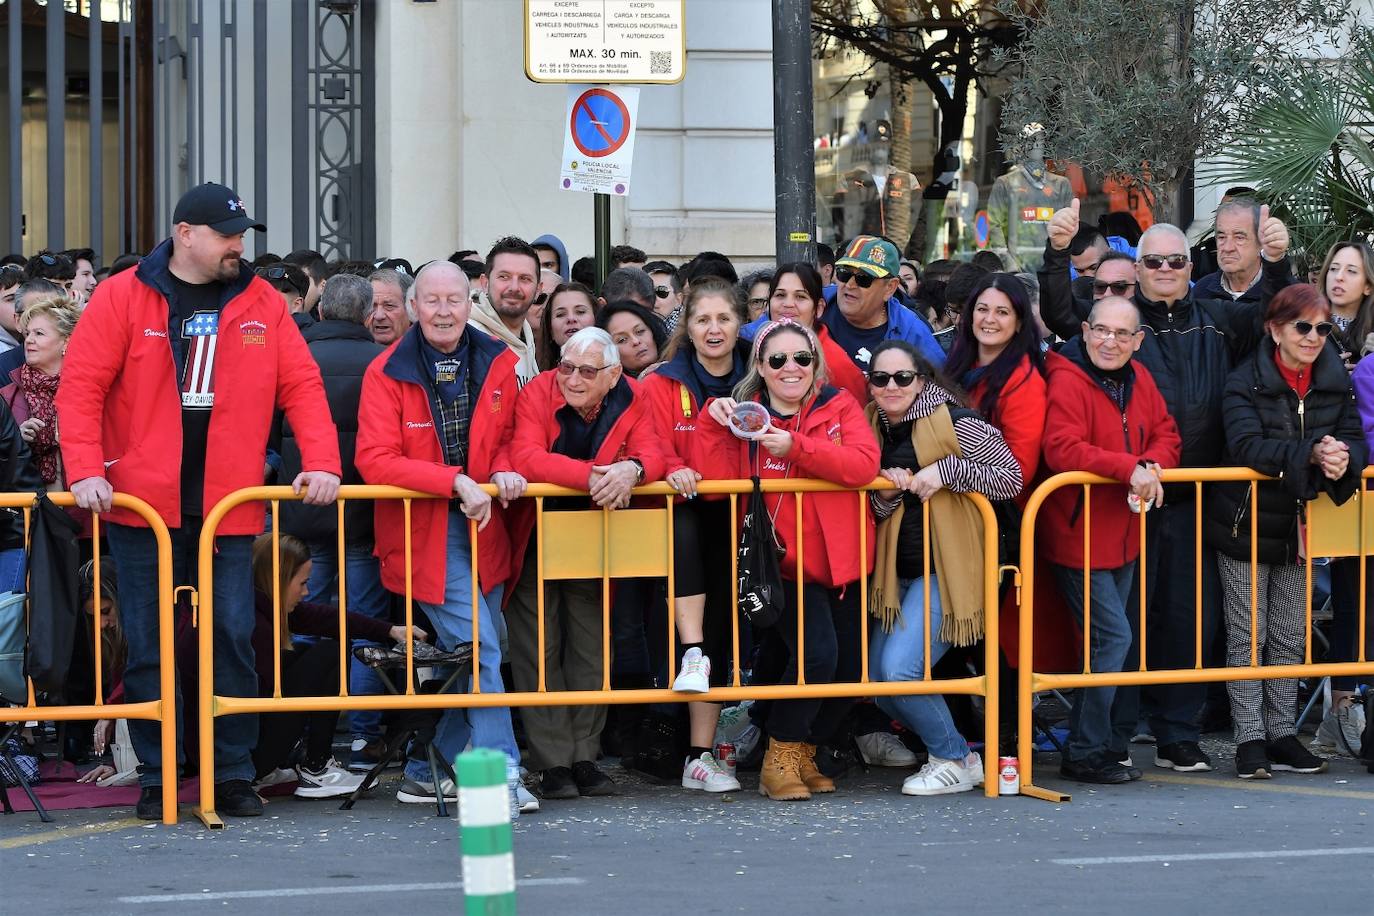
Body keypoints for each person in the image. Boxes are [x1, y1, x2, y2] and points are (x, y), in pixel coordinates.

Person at [57, 181, 343, 821]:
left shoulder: (263, 301)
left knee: (232, 639)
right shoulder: (121, 296)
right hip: (142, 508)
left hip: (228, 506)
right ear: (186, 234)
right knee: (152, 644)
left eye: (241, 235)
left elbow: (302, 387)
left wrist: (322, 461)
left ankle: (233, 772)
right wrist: (85, 471)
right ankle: (159, 776)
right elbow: (79, 389)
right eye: (227, 235)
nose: (238, 246)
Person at [1040, 208, 1288, 773]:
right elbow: (1063, 312)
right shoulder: (1117, 327)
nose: (1168, 269)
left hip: (1193, 494)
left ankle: (1179, 734)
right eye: (1154, 261)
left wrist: (1275, 259)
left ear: (1188, 264)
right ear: (1138, 269)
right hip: (1121, 506)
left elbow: (1272, 314)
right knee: (1124, 630)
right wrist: (1056, 255)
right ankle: (1112, 739)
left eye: (1178, 260)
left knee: (1188, 621)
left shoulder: (1217, 317)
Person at [354, 260, 535, 814]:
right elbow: (374, 461)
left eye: (453, 300)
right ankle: (501, 771)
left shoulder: (500, 361)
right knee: (482, 647)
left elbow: (507, 437)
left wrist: (503, 467)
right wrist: (453, 481)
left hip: (485, 529)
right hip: (424, 533)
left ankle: (422, 766)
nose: (442, 310)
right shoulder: (384, 371)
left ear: (470, 301)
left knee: (472, 651)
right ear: (412, 307)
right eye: (430, 300)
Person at [702, 319, 880, 801]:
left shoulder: (839, 404)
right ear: (760, 367)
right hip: (779, 566)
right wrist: (711, 421)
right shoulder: (747, 416)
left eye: (801, 358)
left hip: (842, 562)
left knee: (847, 670)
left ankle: (801, 750)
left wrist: (796, 447)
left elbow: (864, 465)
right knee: (817, 655)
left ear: (815, 363)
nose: (790, 368)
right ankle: (779, 755)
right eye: (777, 359)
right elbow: (714, 476)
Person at [1206, 283, 1364, 778]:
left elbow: (1355, 438)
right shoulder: (1242, 381)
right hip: (1245, 523)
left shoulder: (1336, 380)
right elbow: (1247, 446)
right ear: (1275, 330)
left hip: (1302, 525)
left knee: (1289, 635)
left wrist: (1343, 460)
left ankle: (1282, 735)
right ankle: (1250, 738)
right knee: (1247, 636)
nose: (1314, 336)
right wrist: (1314, 453)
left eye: (1323, 327)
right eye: (1303, 326)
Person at [506, 326, 666, 800]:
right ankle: (553, 762)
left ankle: (585, 756)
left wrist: (632, 470)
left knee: (592, 647)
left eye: (586, 371)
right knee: (539, 648)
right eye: (567, 367)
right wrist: (594, 478)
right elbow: (526, 457)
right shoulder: (538, 391)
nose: (572, 379)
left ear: (613, 374)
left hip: (596, 535)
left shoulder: (633, 395)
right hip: (534, 532)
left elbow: (653, 451)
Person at [865, 340, 1020, 796]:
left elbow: (1010, 477)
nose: (891, 386)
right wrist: (885, 496)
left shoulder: (957, 421)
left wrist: (948, 469)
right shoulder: (870, 426)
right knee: (878, 679)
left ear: (922, 380)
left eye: (902, 377)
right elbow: (872, 511)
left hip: (948, 572)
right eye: (880, 378)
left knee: (897, 673)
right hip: (899, 574)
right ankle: (958, 757)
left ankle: (953, 757)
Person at [1040, 297, 1181, 784]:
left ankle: (1098, 745)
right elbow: (1061, 447)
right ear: (1084, 330)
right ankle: (1084, 750)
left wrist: (1154, 465)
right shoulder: (1066, 377)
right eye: (1101, 330)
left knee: (1106, 645)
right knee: (1113, 639)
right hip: (1077, 535)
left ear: (1138, 341)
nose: (1110, 341)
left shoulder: (1141, 381)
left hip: (1125, 532)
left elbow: (1167, 434)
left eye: (1122, 334)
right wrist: (1131, 469)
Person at [271, 273, 389, 771]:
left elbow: (272, 436)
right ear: (367, 317)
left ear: (319, 311)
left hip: (302, 514)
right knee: (364, 628)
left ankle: (304, 731)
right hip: (364, 517)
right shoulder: (383, 365)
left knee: (304, 623)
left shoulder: (293, 360)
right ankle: (362, 734)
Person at [642, 277, 751, 792]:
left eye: (724, 319)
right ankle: (696, 754)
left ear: (740, 323)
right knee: (698, 646)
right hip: (687, 523)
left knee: (731, 640)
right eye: (703, 319)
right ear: (687, 325)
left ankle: (715, 749)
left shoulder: (767, 369)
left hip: (749, 519)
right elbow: (645, 442)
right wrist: (669, 468)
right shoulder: (662, 381)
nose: (714, 329)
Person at [246, 534, 409, 799]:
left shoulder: (256, 607)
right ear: (277, 580)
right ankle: (316, 766)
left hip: (239, 752)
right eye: (302, 583)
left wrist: (390, 630)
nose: (306, 591)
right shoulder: (256, 626)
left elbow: (329, 619)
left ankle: (291, 765)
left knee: (304, 651)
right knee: (329, 653)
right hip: (246, 753)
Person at [944, 273, 1047, 494]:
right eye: (982, 309)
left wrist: (947, 472)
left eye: (1002, 312)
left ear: (1019, 322)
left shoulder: (1024, 381)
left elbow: (1020, 472)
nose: (989, 319)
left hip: (996, 513)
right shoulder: (958, 361)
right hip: (954, 504)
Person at [740, 263, 868, 405]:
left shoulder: (835, 364)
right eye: (780, 295)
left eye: (800, 297)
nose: (788, 304)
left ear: (818, 308)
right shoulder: (750, 346)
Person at [827, 236, 943, 370]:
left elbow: (941, 385)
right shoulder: (814, 303)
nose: (849, 284)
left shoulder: (913, 333)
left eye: (863, 278)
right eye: (844, 273)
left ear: (890, 288)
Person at [2, 294, 80, 492]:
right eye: (27, 333)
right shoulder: (8, 394)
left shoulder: (88, 391)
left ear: (66, 342)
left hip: (86, 508)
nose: (29, 340)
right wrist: (16, 440)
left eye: (39, 334)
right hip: (31, 508)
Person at [1194, 198, 1297, 305]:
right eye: (1222, 237)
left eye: (1239, 238)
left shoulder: (1288, 294)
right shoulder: (1201, 291)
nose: (1227, 248)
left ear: (1261, 241)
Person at [469, 236, 541, 385]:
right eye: (504, 277)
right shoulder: (467, 338)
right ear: (485, 283)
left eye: (525, 278)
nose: (514, 287)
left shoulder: (528, 339)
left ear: (538, 290)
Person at [1320, 240, 1374, 366]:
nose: (1338, 277)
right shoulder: (1306, 322)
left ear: (1368, 286)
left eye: (1351, 271)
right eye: (1333, 269)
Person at [597, 300, 667, 378]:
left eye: (640, 331)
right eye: (622, 340)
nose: (636, 341)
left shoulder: (681, 363)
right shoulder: (610, 388)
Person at [536, 281, 597, 371]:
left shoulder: (618, 377)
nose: (571, 319)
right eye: (560, 314)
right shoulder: (539, 381)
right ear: (550, 330)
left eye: (580, 312)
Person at [366, 267, 413, 346]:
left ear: (411, 309)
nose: (379, 316)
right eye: (371, 306)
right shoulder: (352, 355)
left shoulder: (431, 355)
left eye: (389, 306)